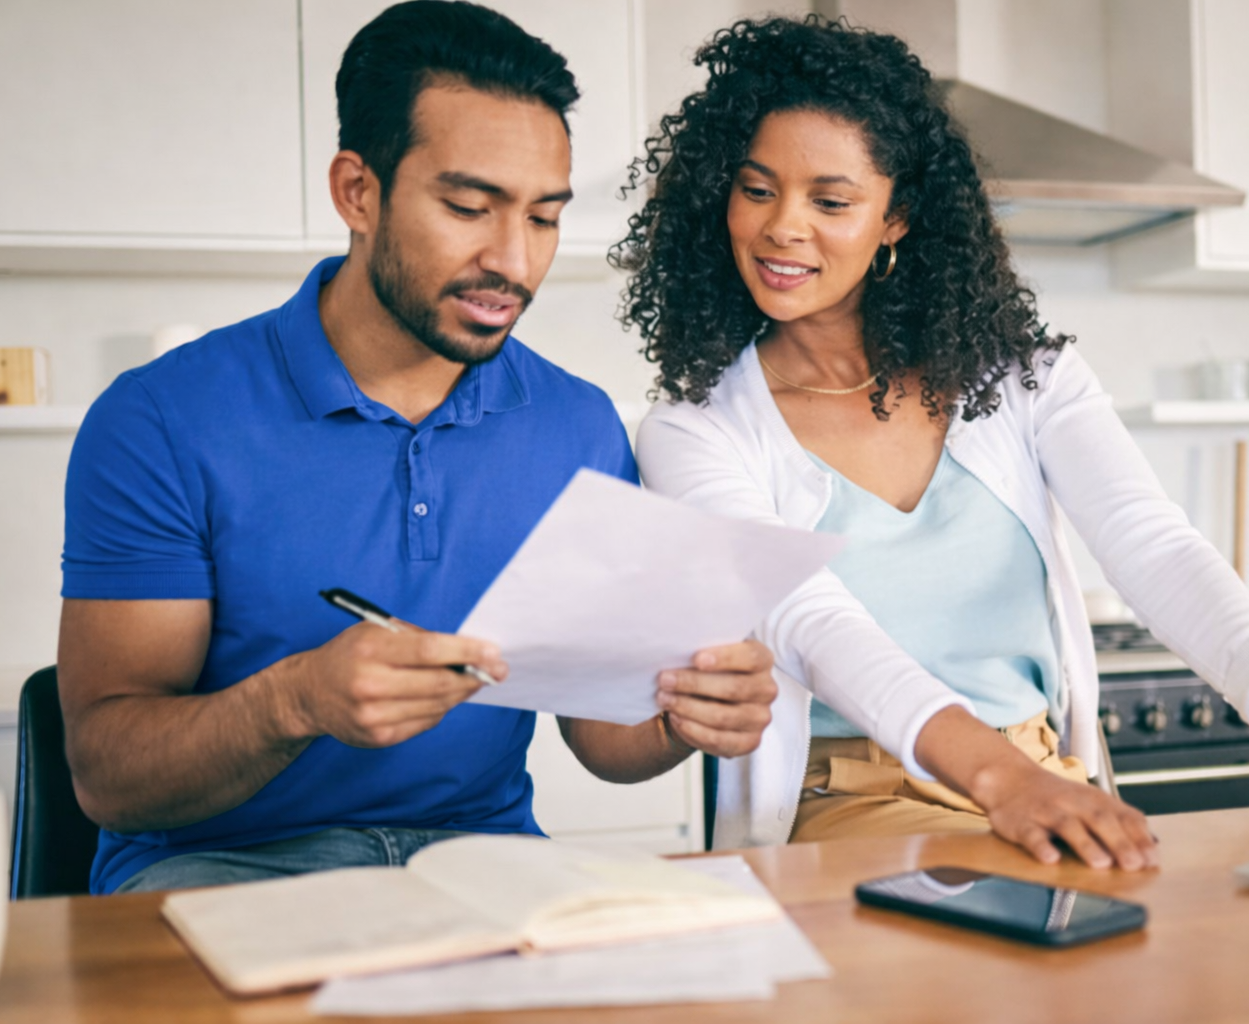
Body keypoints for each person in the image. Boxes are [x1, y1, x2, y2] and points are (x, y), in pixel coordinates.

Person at [618, 16, 1249, 870]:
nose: (781, 226)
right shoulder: (697, 431)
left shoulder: (1025, 380)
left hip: (1038, 775)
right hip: (851, 798)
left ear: (896, 218)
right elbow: (810, 622)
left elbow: (1156, 549)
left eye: (831, 200)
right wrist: (997, 779)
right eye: (757, 189)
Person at [57, 0, 775, 896]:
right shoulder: (160, 418)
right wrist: (295, 701)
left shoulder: (578, 425)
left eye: (543, 218)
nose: (513, 261)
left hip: (485, 864)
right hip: (222, 869)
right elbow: (109, 778)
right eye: (469, 207)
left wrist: (684, 715)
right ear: (358, 192)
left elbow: (603, 737)